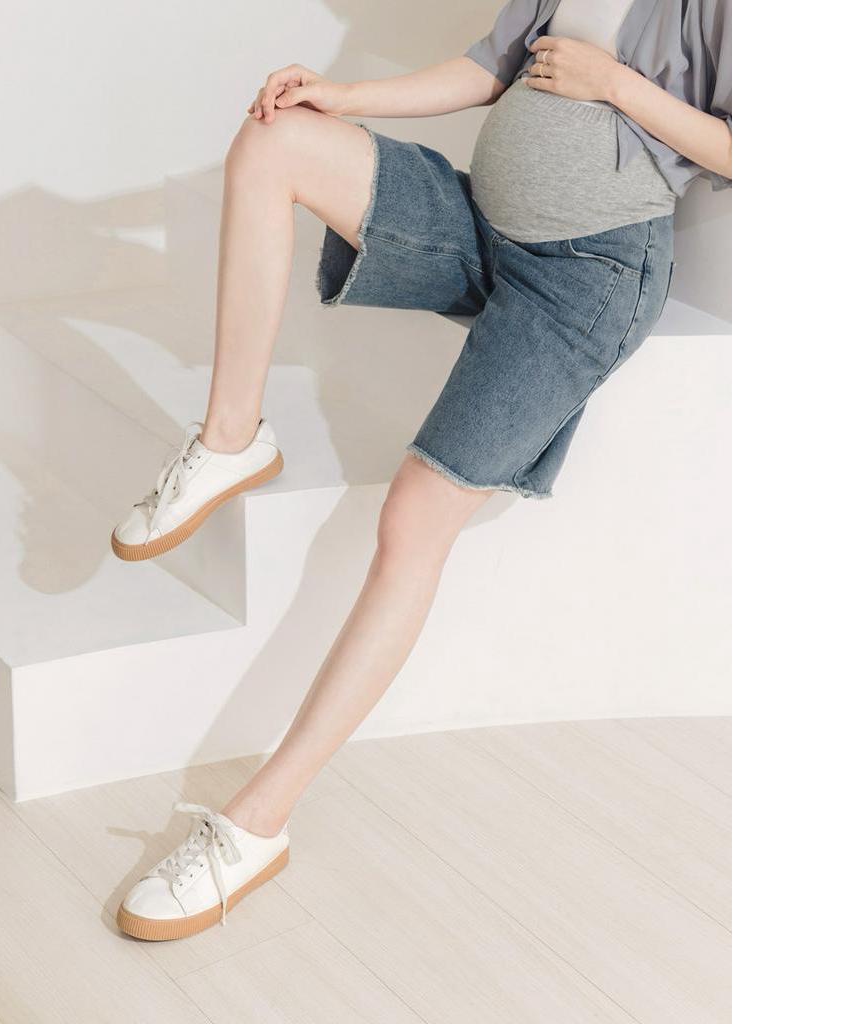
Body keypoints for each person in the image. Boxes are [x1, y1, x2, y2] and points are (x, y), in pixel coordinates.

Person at [113, 0, 732, 941]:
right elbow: (488, 66)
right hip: (489, 228)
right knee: (276, 140)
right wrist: (342, 95)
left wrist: (615, 86)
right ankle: (231, 438)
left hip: (588, 282)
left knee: (410, 523)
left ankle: (255, 827)